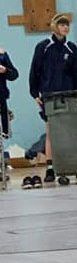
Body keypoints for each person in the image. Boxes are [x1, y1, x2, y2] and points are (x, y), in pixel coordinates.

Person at [28, 13, 77, 186]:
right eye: (62, 25)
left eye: (67, 25)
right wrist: (35, 94)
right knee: (51, 130)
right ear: (54, 26)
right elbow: (34, 71)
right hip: (48, 95)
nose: (65, 28)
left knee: (66, 132)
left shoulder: (72, 48)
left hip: (67, 95)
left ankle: (67, 167)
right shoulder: (43, 47)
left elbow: (76, 75)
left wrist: (75, 95)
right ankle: (50, 167)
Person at [0, 47, 18, 182]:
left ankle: (1, 169)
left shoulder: (2, 55)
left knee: (1, 136)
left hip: (1, 99)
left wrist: (5, 70)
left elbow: (14, 74)